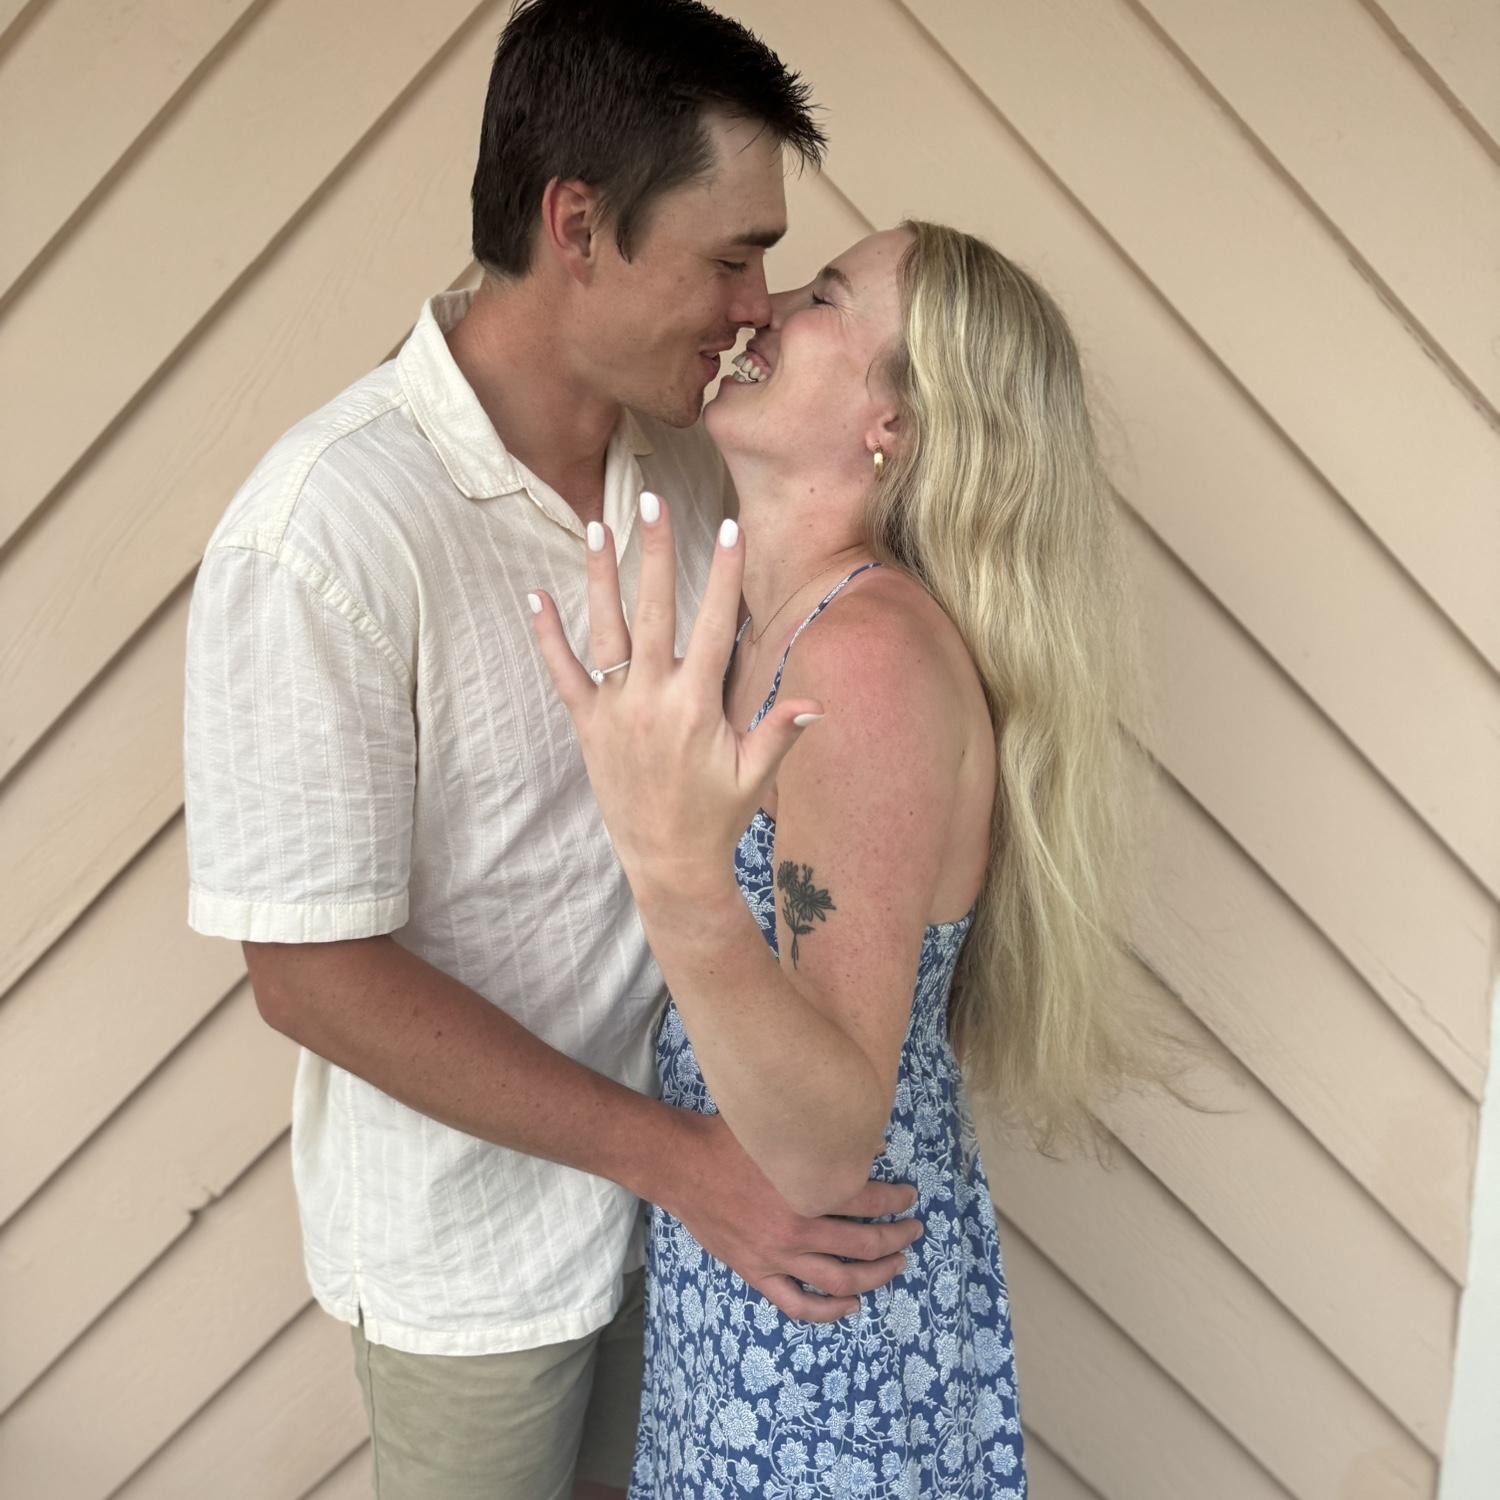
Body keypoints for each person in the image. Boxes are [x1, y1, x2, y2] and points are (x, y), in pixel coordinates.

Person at [182, 4, 922, 1496]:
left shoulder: (703, 462)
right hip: (484, 1270)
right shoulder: (326, 532)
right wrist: (682, 1163)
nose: (758, 307)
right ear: (577, 225)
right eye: (730, 258)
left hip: (706, 1234)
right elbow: (308, 973)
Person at [532, 222, 1161, 1496]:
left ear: (897, 424)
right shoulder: (784, 630)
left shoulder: (864, 662)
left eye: (822, 297)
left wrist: (669, 862)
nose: (761, 309)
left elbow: (823, 1152)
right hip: (762, 1308)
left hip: (826, 1366)